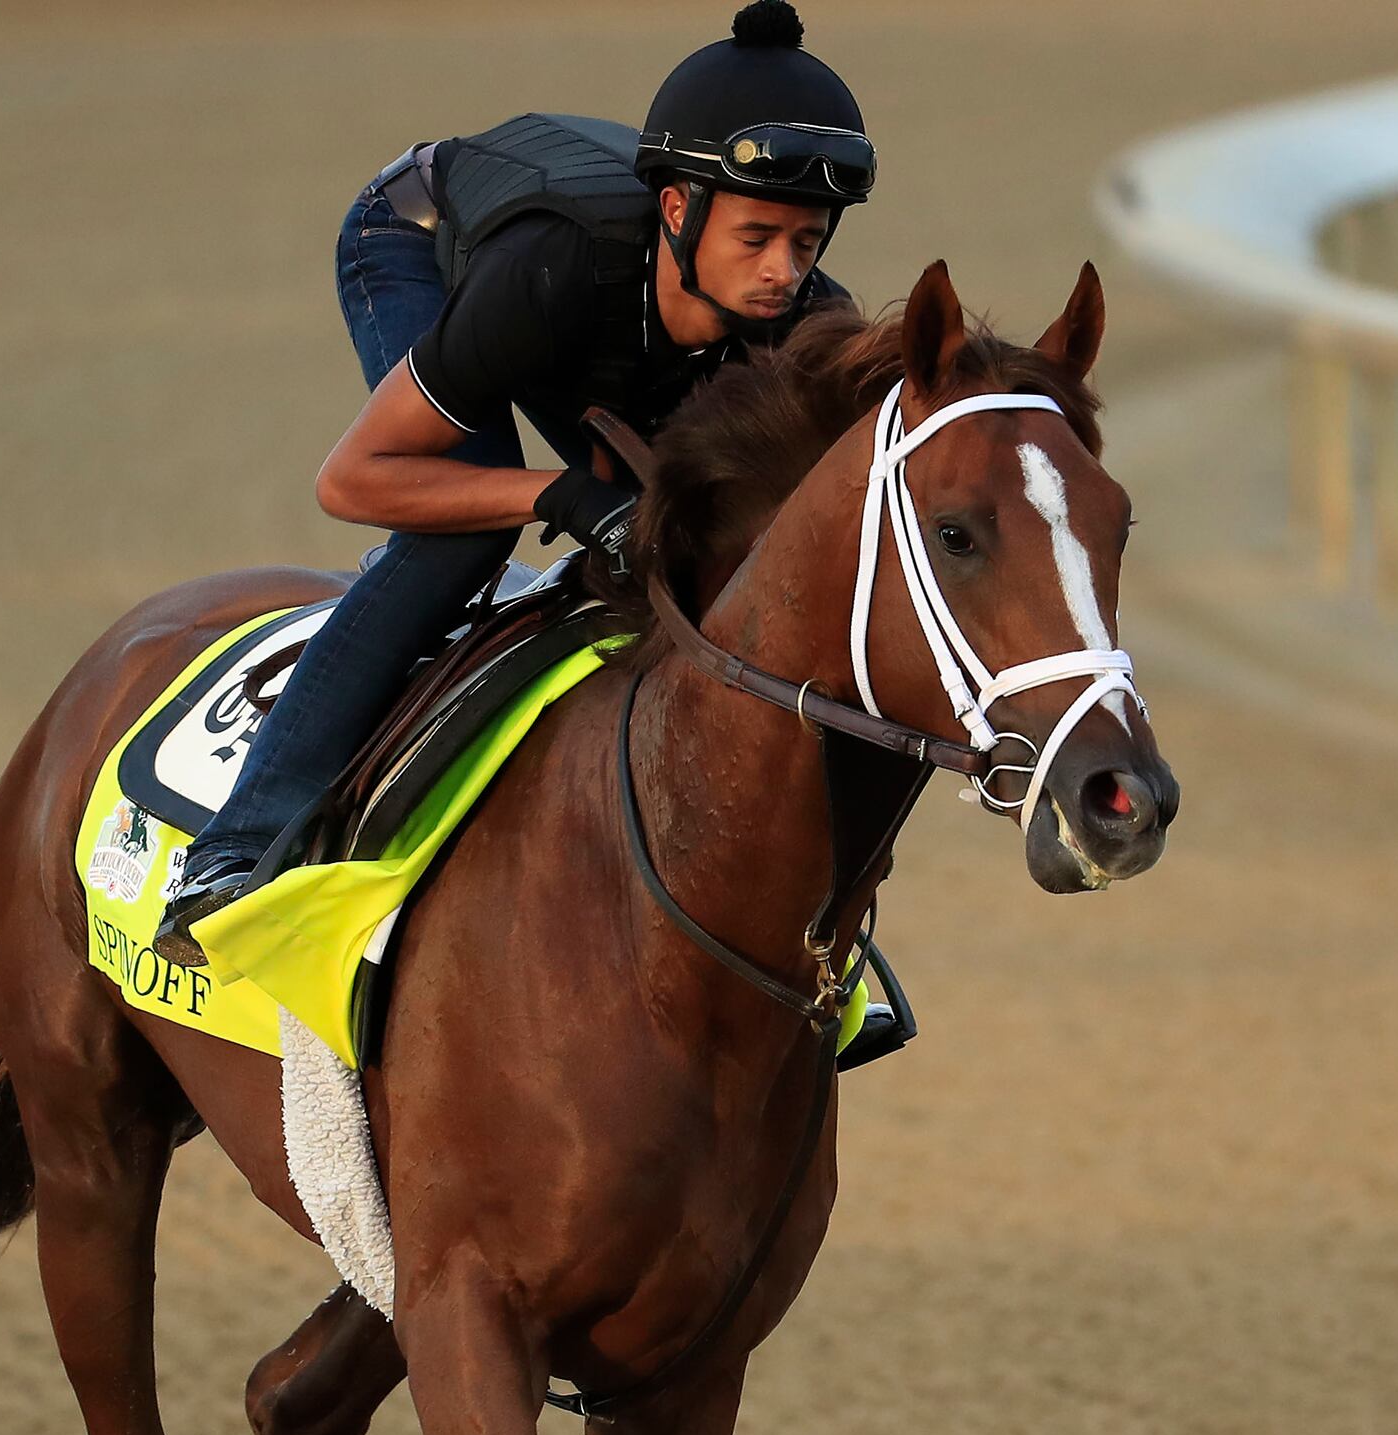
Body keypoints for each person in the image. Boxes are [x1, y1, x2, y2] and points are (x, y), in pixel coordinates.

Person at [150, 1, 874, 964]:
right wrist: (559, 496)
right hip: (426, 242)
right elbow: (353, 479)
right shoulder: (553, 272)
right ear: (677, 208)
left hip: (610, 322)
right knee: (466, 518)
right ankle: (232, 851)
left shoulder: (805, 323)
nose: (785, 272)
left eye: (808, 241)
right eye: (757, 238)